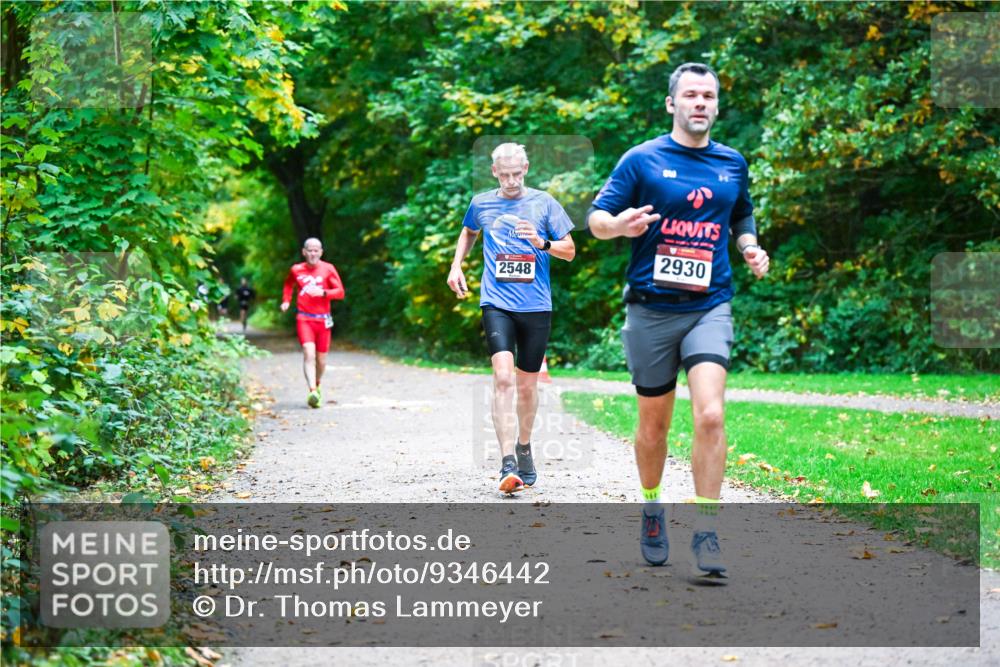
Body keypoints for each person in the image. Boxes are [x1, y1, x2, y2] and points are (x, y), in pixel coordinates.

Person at [587, 63, 770, 577]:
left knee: (710, 414)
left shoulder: (732, 162)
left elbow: (741, 215)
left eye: (708, 95)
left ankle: (707, 532)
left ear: (716, 105)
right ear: (671, 104)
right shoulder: (642, 159)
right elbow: (597, 218)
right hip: (650, 308)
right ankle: (651, 506)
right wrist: (618, 226)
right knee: (654, 424)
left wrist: (750, 247)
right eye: (690, 94)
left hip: (710, 304)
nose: (699, 103)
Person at [447, 143, 576, 495]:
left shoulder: (545, 203)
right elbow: (469, 231)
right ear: (494, 172)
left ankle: (524, 446)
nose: (511, 181)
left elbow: (570, 251)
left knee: (526, 385)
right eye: (504, 174)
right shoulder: (482, 203)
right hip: (496, 302)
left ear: (526, 168)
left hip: (536, 306)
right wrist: (456, 265)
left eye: (516, 173)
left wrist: (542, 242)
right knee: (502, 376)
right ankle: (507, 461)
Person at [281, 238, 345, 408]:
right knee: (308, 353)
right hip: (304, 318)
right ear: (304, 252)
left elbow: (340, 292)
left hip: (323, 320)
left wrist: (323, 292)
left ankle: (317, 385)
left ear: (321, 252)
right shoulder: (296, 269)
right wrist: (286, 300)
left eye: (316, 250)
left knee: (321, 360)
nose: (313, 253)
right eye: (310, 250)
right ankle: (312, 391)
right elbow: (288, 284)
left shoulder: (328, 269)